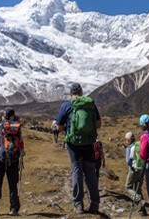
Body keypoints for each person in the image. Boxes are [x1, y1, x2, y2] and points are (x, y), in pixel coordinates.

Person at [55, 82, 101, 214]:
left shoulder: (66, 105)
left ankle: (78, 204)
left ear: (71, 93)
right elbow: (99, 124)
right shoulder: (90, 104)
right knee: (91, 173)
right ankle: (95, 203)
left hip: (73, 145)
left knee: (76, 171)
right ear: (81, 92)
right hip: (89, 143)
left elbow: (58, 127)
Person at [0, 108, 25, 217]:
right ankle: (14, 208)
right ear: (13, 116)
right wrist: (22, 152)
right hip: (13, 159)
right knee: (13, 184)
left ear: (4, 116)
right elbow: (21, 143)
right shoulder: (17, 128)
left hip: (0, 158)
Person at [124, 131, 147, 216]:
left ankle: (139, 201)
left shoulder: (129, 148)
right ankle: (142, 211)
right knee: (138, 189)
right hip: (141, 169)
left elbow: (128, 161)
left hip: (133, 170)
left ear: (129, 140)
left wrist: (131, 167)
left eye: (126, 139)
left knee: (127, 188)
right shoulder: (139, 144)